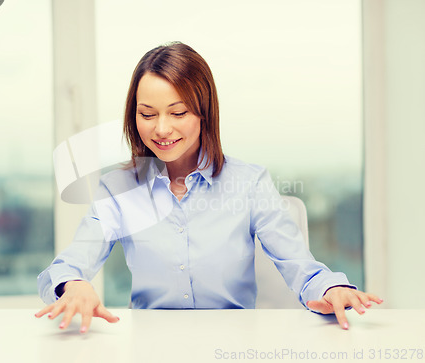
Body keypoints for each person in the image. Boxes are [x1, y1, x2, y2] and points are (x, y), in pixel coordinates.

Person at [35, 42, 383, 333]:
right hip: (149, 345)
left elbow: (301, 267)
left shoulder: (249, 183)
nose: (161, 129)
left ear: (204, 112)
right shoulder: (118, 189)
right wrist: (73, 285)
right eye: (147, 114)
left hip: (235, 346)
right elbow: (69, 265)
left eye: (178, 112)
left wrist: (331, 287)